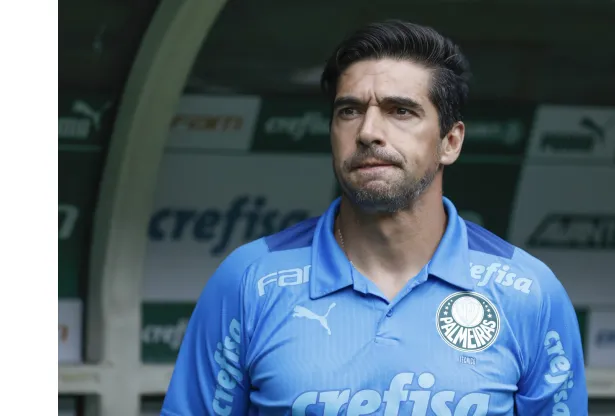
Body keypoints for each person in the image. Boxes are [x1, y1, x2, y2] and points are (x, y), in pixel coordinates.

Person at [161, 20, 587, 416]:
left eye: (400, 111)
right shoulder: (249, 280)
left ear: (450, 142)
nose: (367, 131)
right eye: (349, 110)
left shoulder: (529, 292)